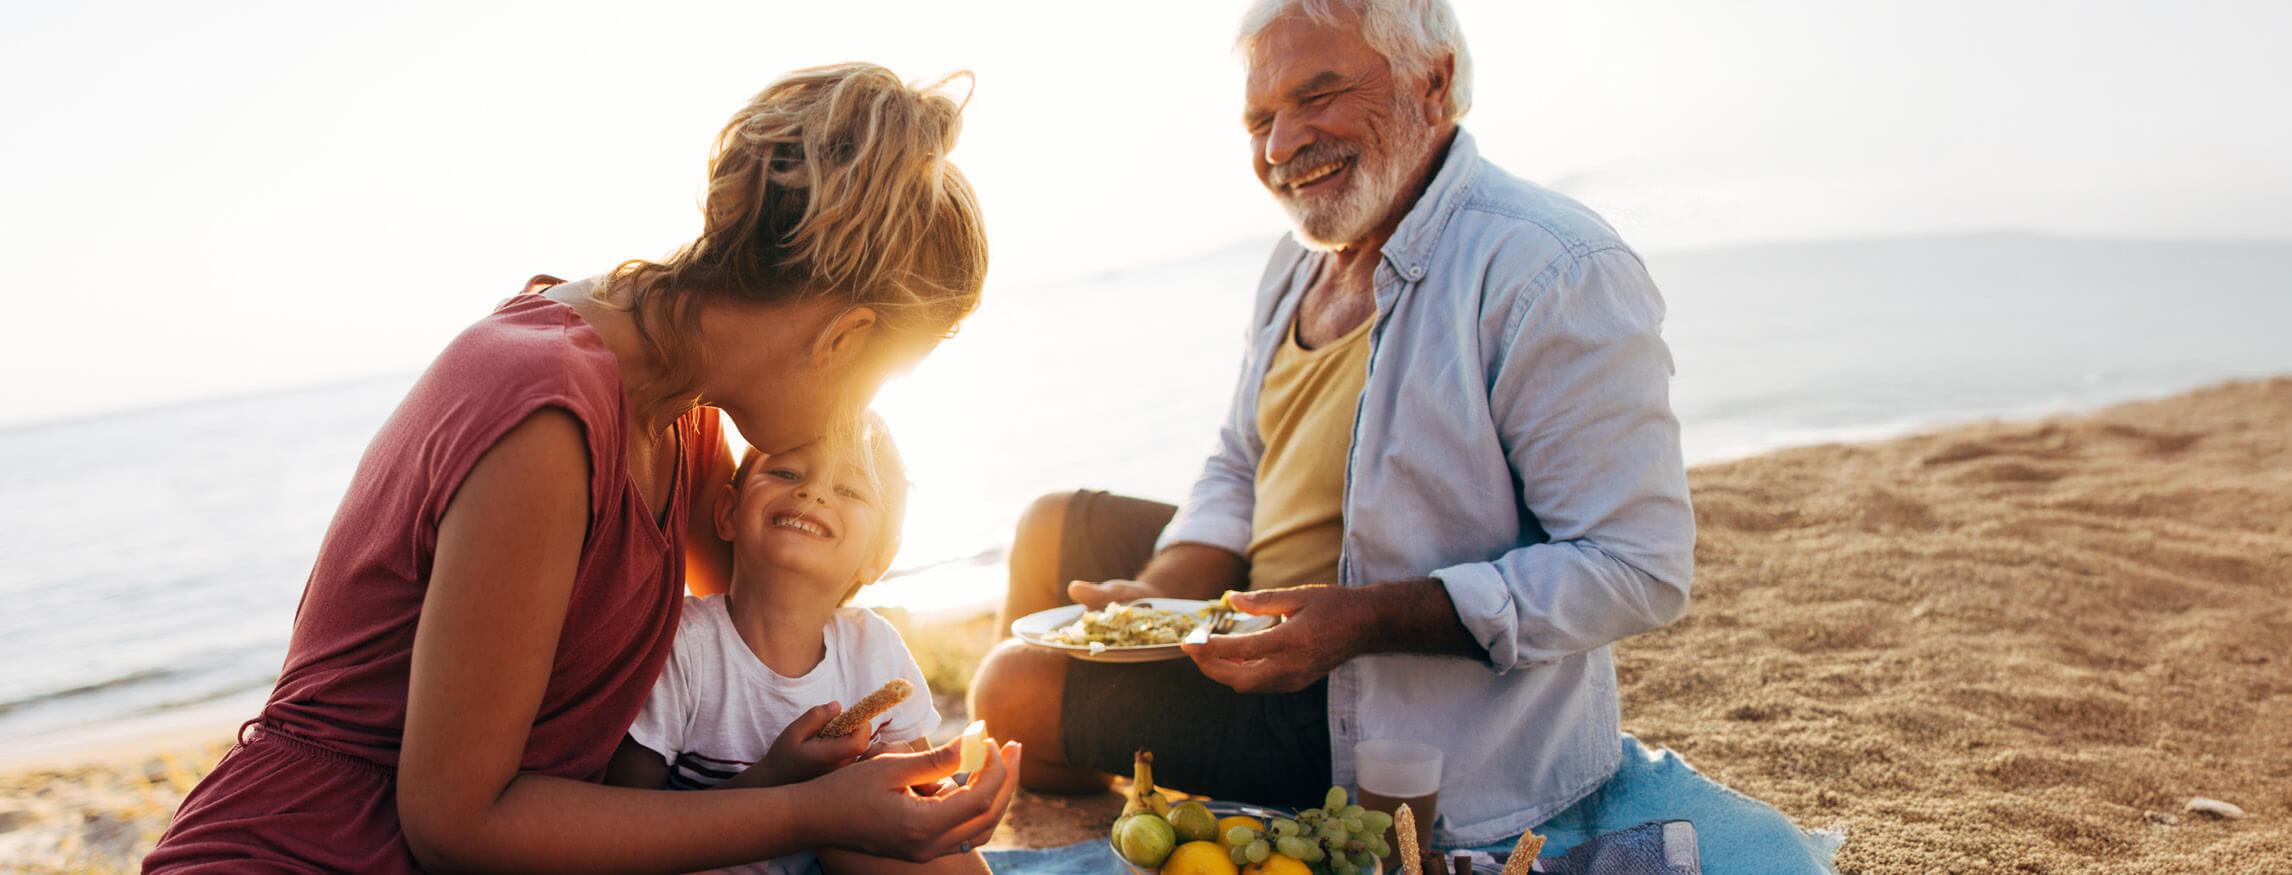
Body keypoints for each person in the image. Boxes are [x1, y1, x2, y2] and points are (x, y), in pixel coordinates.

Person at [147, 63, 1019, 873]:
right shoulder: (549, 415)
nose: (853, 427)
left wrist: (880, 768)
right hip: (316, 851)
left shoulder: (679, 410)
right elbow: (456, 821)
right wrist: (804, 813)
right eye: (881, 382)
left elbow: (764, 636)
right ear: (845, 338)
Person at [969, 0, 1695, 851]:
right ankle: (1097, 757)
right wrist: (1166, 592)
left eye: (1317, 97)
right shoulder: (1299, 260)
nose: (1280, 148)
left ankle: (1091, 773)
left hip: (1368, 698)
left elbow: (1638, 567)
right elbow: (1241, 461)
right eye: (1261, 118)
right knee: (1051, 526)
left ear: (1436, 81)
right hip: (1267, 605)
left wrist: (1360, 620)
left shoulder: (1553, 268)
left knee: (1006, 689)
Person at [605, 417, 989, 875]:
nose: (814, 492)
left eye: (849, 490)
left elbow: (918, 788)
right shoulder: (683, 650)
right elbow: (627, 827)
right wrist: (775, 777)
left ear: (878, 557)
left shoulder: (874, 649)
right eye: (786, 473)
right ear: (728, 512)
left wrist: (951, 808)